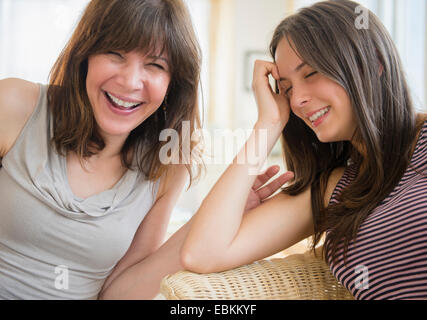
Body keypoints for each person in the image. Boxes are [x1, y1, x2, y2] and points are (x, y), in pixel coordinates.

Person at [0, 0, 289, 299]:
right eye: (115, 54)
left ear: (172, 84)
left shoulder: (167, 166)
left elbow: (120, 293)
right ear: (85, 54)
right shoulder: (13, 105)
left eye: (155, 65)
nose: (130, 81)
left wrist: (217, 217)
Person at [181, 0, 427, 300]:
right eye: (287, 88)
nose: (297, 101)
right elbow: (202, 254)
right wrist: (268, 123)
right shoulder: (335, 189)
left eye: (310, 74)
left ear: (373, 63)